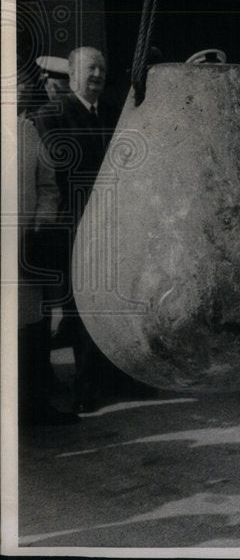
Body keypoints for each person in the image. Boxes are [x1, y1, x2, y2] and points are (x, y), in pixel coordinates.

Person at [33, 47, 150, 413]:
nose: (97, 74)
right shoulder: (51, 116)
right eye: (89, 68)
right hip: (76, 224)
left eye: (102, 67)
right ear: (71, 73)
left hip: (115, 225)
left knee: (117, 304)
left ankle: (120, 378)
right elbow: (64, 169)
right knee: (83, 308)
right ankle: (86, 386)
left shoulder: (115, 115)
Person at [17, 85, 79, 426]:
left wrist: (41, 222)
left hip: (26, 247)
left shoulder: (28, 132)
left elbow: (48, 185)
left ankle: (37, 405)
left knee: (32, 328)